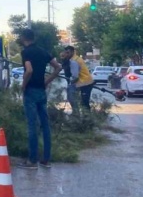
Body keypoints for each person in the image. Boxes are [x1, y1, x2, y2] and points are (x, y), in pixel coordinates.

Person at [19, 29, 62, 169]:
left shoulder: (26, 52)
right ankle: (46, 159)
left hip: (30, 91)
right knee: (45, 124)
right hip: (42, 91)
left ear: (24, 38)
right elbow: (58, 67)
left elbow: (29, 70)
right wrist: (47, 81)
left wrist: (23, 85)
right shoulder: (44, 52)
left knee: (32, 125)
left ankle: (32, 161)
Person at [64, 46, 95, 112]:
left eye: (68, 52)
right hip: (83, 82)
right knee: (83, 102)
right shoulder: (77, 58)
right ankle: (80, 115)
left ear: (72, 52)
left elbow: (75, 77)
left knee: (83, 102)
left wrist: (70, 84)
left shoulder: (74, 61)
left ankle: (84, 117)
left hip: (85, 83)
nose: (67, 54)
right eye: (66, 53)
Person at [60, 50, 81, 116]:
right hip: (70, 83)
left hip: (75, 83)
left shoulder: (73, 63)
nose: (62, 58)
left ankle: (76, 114)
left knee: (73, 99)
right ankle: (75, 113)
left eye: (63, 57)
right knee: (70, 98)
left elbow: (75, 76)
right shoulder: (65, 63)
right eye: (61, 57)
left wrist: (71, 82)